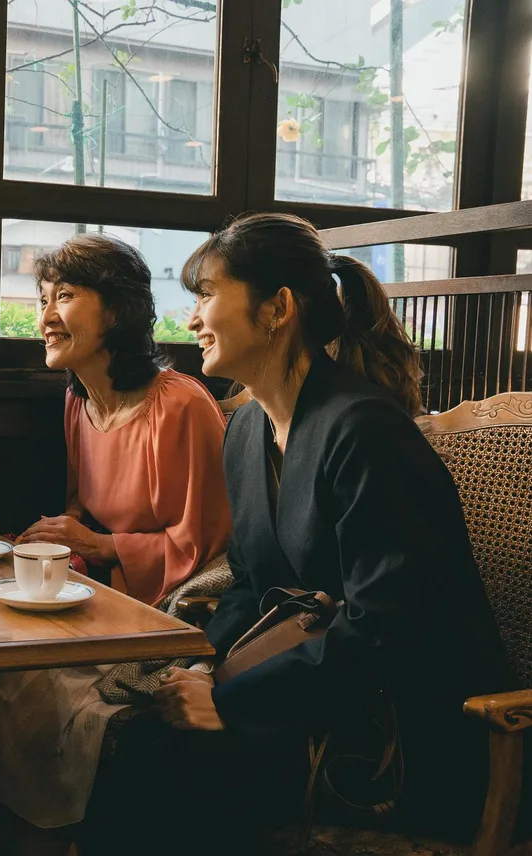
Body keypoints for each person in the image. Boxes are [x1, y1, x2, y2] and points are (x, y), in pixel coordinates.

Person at [80, 212, 510, 855]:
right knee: (134, 738)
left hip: (397, 737)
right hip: (315, 698)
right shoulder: (247, 431)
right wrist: (203, 669)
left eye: (207, 295)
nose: (191, 319)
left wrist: (234, 704)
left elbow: (386, 629)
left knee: (167, 768)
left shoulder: (366, 432)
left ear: (277, 307)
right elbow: (253, 587)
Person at [0, 233, 233, 840]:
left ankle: (61, 830)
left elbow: (207, 547)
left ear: (116, 311)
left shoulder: (179, 405)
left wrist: (100, 547)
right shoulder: (77, 403)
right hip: (99, 599)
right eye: (42, 299)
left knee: (27, 677)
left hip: (165, 609)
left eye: (65, 296)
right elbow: (80, 514)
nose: (46, 317)